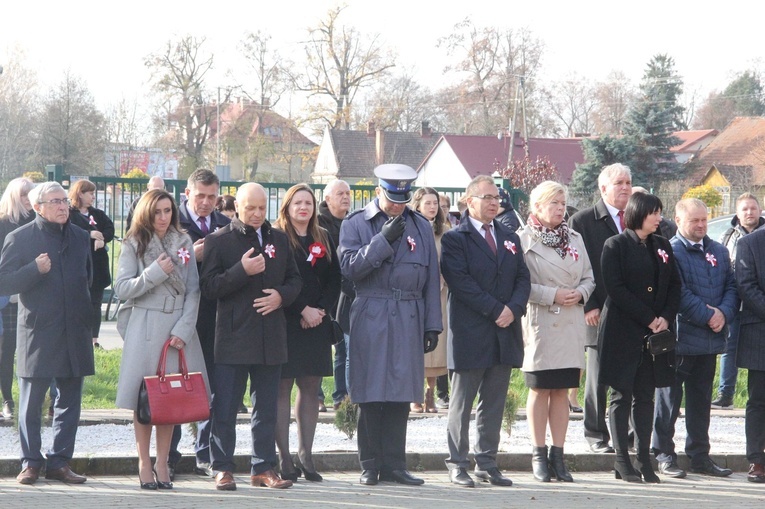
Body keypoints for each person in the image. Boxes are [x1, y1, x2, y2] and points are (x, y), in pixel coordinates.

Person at [340, 164, 442, 486]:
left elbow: (430, 279)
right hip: (371, 309)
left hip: (409, 312)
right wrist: (382, 241)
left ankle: (396, 464)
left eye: (402, 199)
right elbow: (349, 269)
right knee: (370, 392)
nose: (398, 205)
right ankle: (370, 464)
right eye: (391, 198)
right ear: (377, 191)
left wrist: (432, 325)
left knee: (400, 393)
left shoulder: (421, 226)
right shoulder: (356, 223)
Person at [200, 182, 302, 491]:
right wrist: (241, 270)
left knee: (266, 406)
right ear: (237, 208)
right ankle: (222, 467)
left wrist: (281, 297)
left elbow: (295, 279)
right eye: (250, 208)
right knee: (226, 406)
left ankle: (263, 467)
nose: (257, 214)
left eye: (261, 208)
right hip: (233, 336)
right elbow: (209, 288)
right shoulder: (218, 241)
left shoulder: (280, 240)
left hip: (270, 336)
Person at [113, 189, 209, 490]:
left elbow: (194, 289)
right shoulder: (133, 244)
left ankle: (163, 462)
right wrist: (154, 272)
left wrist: (185, 327)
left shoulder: (184, 242)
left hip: (178, 327)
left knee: (171, 398)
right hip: (145, 325)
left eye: (168, 211)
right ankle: (144, 462)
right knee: (145, 398)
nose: (163, 217)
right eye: (157, 212)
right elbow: (122, 288)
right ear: (146, 212)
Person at [0, 181, 94, 485]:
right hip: (39, 332)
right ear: (38, 207)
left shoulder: (80, 237)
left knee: (69, 400)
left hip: (74, 330)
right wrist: (33, 270)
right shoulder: (20, 238)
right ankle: (30, 462)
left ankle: (60, 462)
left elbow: (87, 279)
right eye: (54, 202)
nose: (62, 206)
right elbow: (4, 283)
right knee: (31, 403)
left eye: (64, 200)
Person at [441, 175, 531, 488]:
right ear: (469, 201)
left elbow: (523, 278)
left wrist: (514, 309)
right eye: (487, 197)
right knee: (462, 403)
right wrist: (497, 310)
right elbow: (461, 282)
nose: (494, 203)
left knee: (493, 402)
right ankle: (457, 463)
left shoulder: (510, 236)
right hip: (471, 331)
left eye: (497, 198)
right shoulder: (456, 238)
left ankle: (487, 462)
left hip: (505, 332)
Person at [598, 191, 681, 483]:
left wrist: (665, 318)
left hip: (654, 335)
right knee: (621, 395)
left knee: (646, 396)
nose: (659, 218)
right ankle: (622, 459)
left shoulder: (662, 245)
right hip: (623, 330)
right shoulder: (615, 245)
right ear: (638, 214)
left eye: (660, 212)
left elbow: (674, 286)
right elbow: (615, 288)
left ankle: (644, 458)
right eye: (654, 213)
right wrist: (648, 317)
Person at [650, 198, 736, 479]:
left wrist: (723, 313)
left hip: (710, 341)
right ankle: (664, 453)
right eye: (694, 221)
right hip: (680, 339)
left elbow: (731, 287)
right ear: (678, 219)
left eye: (704, 220)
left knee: (701, 403)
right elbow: (680, 293)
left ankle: (700, 456)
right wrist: (707, 316)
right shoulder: (670, 251)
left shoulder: (719, 251)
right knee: (669, 402)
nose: (701, 225)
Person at [518, 181, 595, 483]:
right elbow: (520, 283)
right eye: (554, 203)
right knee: (540, 389)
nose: (561, 209)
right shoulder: (524, 240)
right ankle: (538, 453)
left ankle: (558, 455)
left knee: (562, 390)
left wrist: (581, 293)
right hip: (543, 321)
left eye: (563, 203)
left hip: (571, 321)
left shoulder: (574, 238)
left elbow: (589, 276)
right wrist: (552, 295)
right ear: (537, 207)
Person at [274, 183, 341, 482]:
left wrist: (320, 311)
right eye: (297, 203)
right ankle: (285, 459)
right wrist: (302, 309)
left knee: (311, 388)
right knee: (282, 388)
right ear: (287, 207)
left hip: (317, 322)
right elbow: (276, 280)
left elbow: (334, 279)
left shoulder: (323, 236)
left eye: (308, 203)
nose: (303, 207)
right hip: (287, 321)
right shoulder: (277, 237)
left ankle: (306, 455)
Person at [569, 163, 633, 454]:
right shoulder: (583, 221)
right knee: (597, 378)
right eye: (619, 182)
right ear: (603, 188)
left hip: (632, 311)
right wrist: (588, 304)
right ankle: (595, 433)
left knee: (630, 374)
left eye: (628, 182)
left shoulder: (635, 218)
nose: (625, 187)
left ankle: (628, 434)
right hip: (598, 309)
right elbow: (579, 266)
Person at [178, 169, 231, 478]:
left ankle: (206, 453)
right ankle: (169, 456)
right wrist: (189, 257)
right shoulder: (171, 223)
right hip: (178, 319)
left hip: (216, 318)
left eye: (212, 197)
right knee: (174, 385)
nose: (207, 202)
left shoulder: (225, 226)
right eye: (200, 196)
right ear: (188, 193)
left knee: (214, 388)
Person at [714, 192, 765, 409]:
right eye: (744, 209)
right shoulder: (728, 236)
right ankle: (726, 394)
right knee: (729, 346)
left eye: (753, 208)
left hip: (758, 304)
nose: (749, 212)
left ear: (760, 210)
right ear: (737, 213)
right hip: (735, 300)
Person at [410, 187, 449, 414]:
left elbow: (450, 261)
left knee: (436, 348)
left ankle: (430, 394)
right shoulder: (409, 229)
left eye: (435, 203)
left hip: (439, 294)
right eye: (428, 203)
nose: (433, 207)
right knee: (414, 344)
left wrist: (444, 278)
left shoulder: (444, 231)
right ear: (417, 205)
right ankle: (414, 395)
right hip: (415, 295)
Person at [0, 177, 36, 420]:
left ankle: (32, 401)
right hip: (6, 296)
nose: (28, 200)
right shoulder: (3, 223)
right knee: (6, 350)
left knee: (30, 349)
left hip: (32, 292)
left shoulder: (37, 221)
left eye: (30, 194)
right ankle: (7, 399)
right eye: (24, 195)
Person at [317, 179, 353, 410]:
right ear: (327, 198)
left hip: (347, 294)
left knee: (344, 347)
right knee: (318, 348)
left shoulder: (354, 222)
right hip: (321, 294)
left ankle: (342, 396)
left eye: (348, 193)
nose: (346, 197)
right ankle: (316, 396)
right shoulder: (317, 224)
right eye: (340, 193)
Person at [735, 217, 765, 483]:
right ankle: (757, 459)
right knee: (759, 400)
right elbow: (746, 286)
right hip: (761, 333)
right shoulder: (750, 243)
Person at [68, 179, 115, 349]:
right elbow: (68, 232)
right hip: (79, 267)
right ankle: (78, 337)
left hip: (98, 268)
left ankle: (94, 339)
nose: (93, 197)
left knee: (96, 303)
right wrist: (89, 234)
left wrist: (102, 238)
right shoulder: (69, 214)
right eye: (90, 193)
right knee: (79, 304)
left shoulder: (98, 214)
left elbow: (110, 229)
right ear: (80, 193)